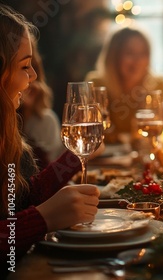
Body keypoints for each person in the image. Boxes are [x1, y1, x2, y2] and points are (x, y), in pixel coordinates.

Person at [0, 4, 99, 269]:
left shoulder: (6, 132)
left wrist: (73, 161)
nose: (33, 76)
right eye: (24, 66)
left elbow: (21, 198)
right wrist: (43, 219)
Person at [85, 27, 163, 144]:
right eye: (130, 53)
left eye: (143, 53)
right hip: (104, 159)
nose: (138, 61)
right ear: (114, 57)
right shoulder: (96, 84)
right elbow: (89, 133)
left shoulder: (158, 84)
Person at [17, 40, 65, 169]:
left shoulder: (43, 121)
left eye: (32, 65)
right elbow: (17, 188)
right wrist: (74, 160)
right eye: (24, 66)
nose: (33, 75)